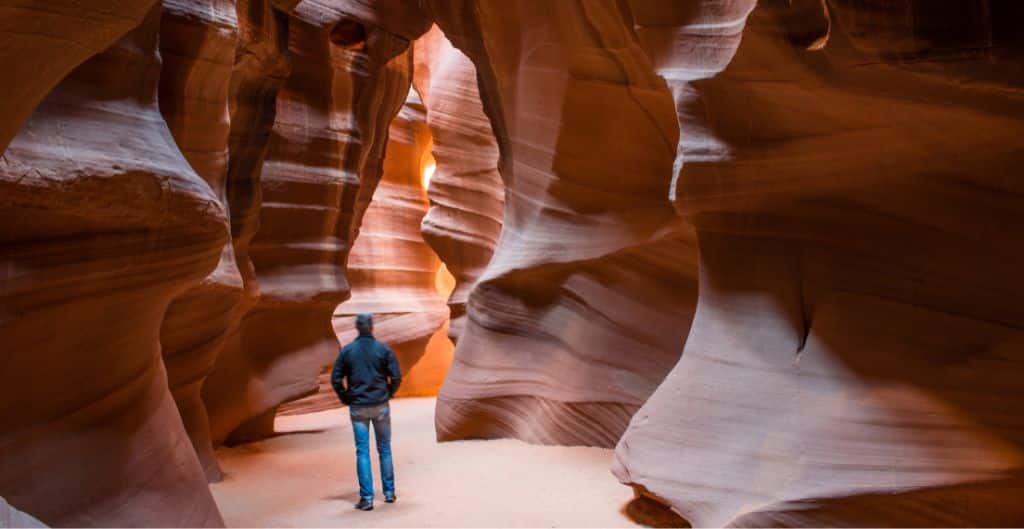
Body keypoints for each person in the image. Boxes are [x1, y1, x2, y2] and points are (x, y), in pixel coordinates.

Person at [331, 313, 402, 511]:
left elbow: (336, 379)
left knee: (362, 451)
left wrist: (346, 397)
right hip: (380, 405)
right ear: (371, 327)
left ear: (357, 328)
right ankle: (389, 493)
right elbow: (396, 376)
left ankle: (367, 498)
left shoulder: (347, 351)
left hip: (358, 407)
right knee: (384, 449)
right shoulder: (383, 349)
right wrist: (388, 393)